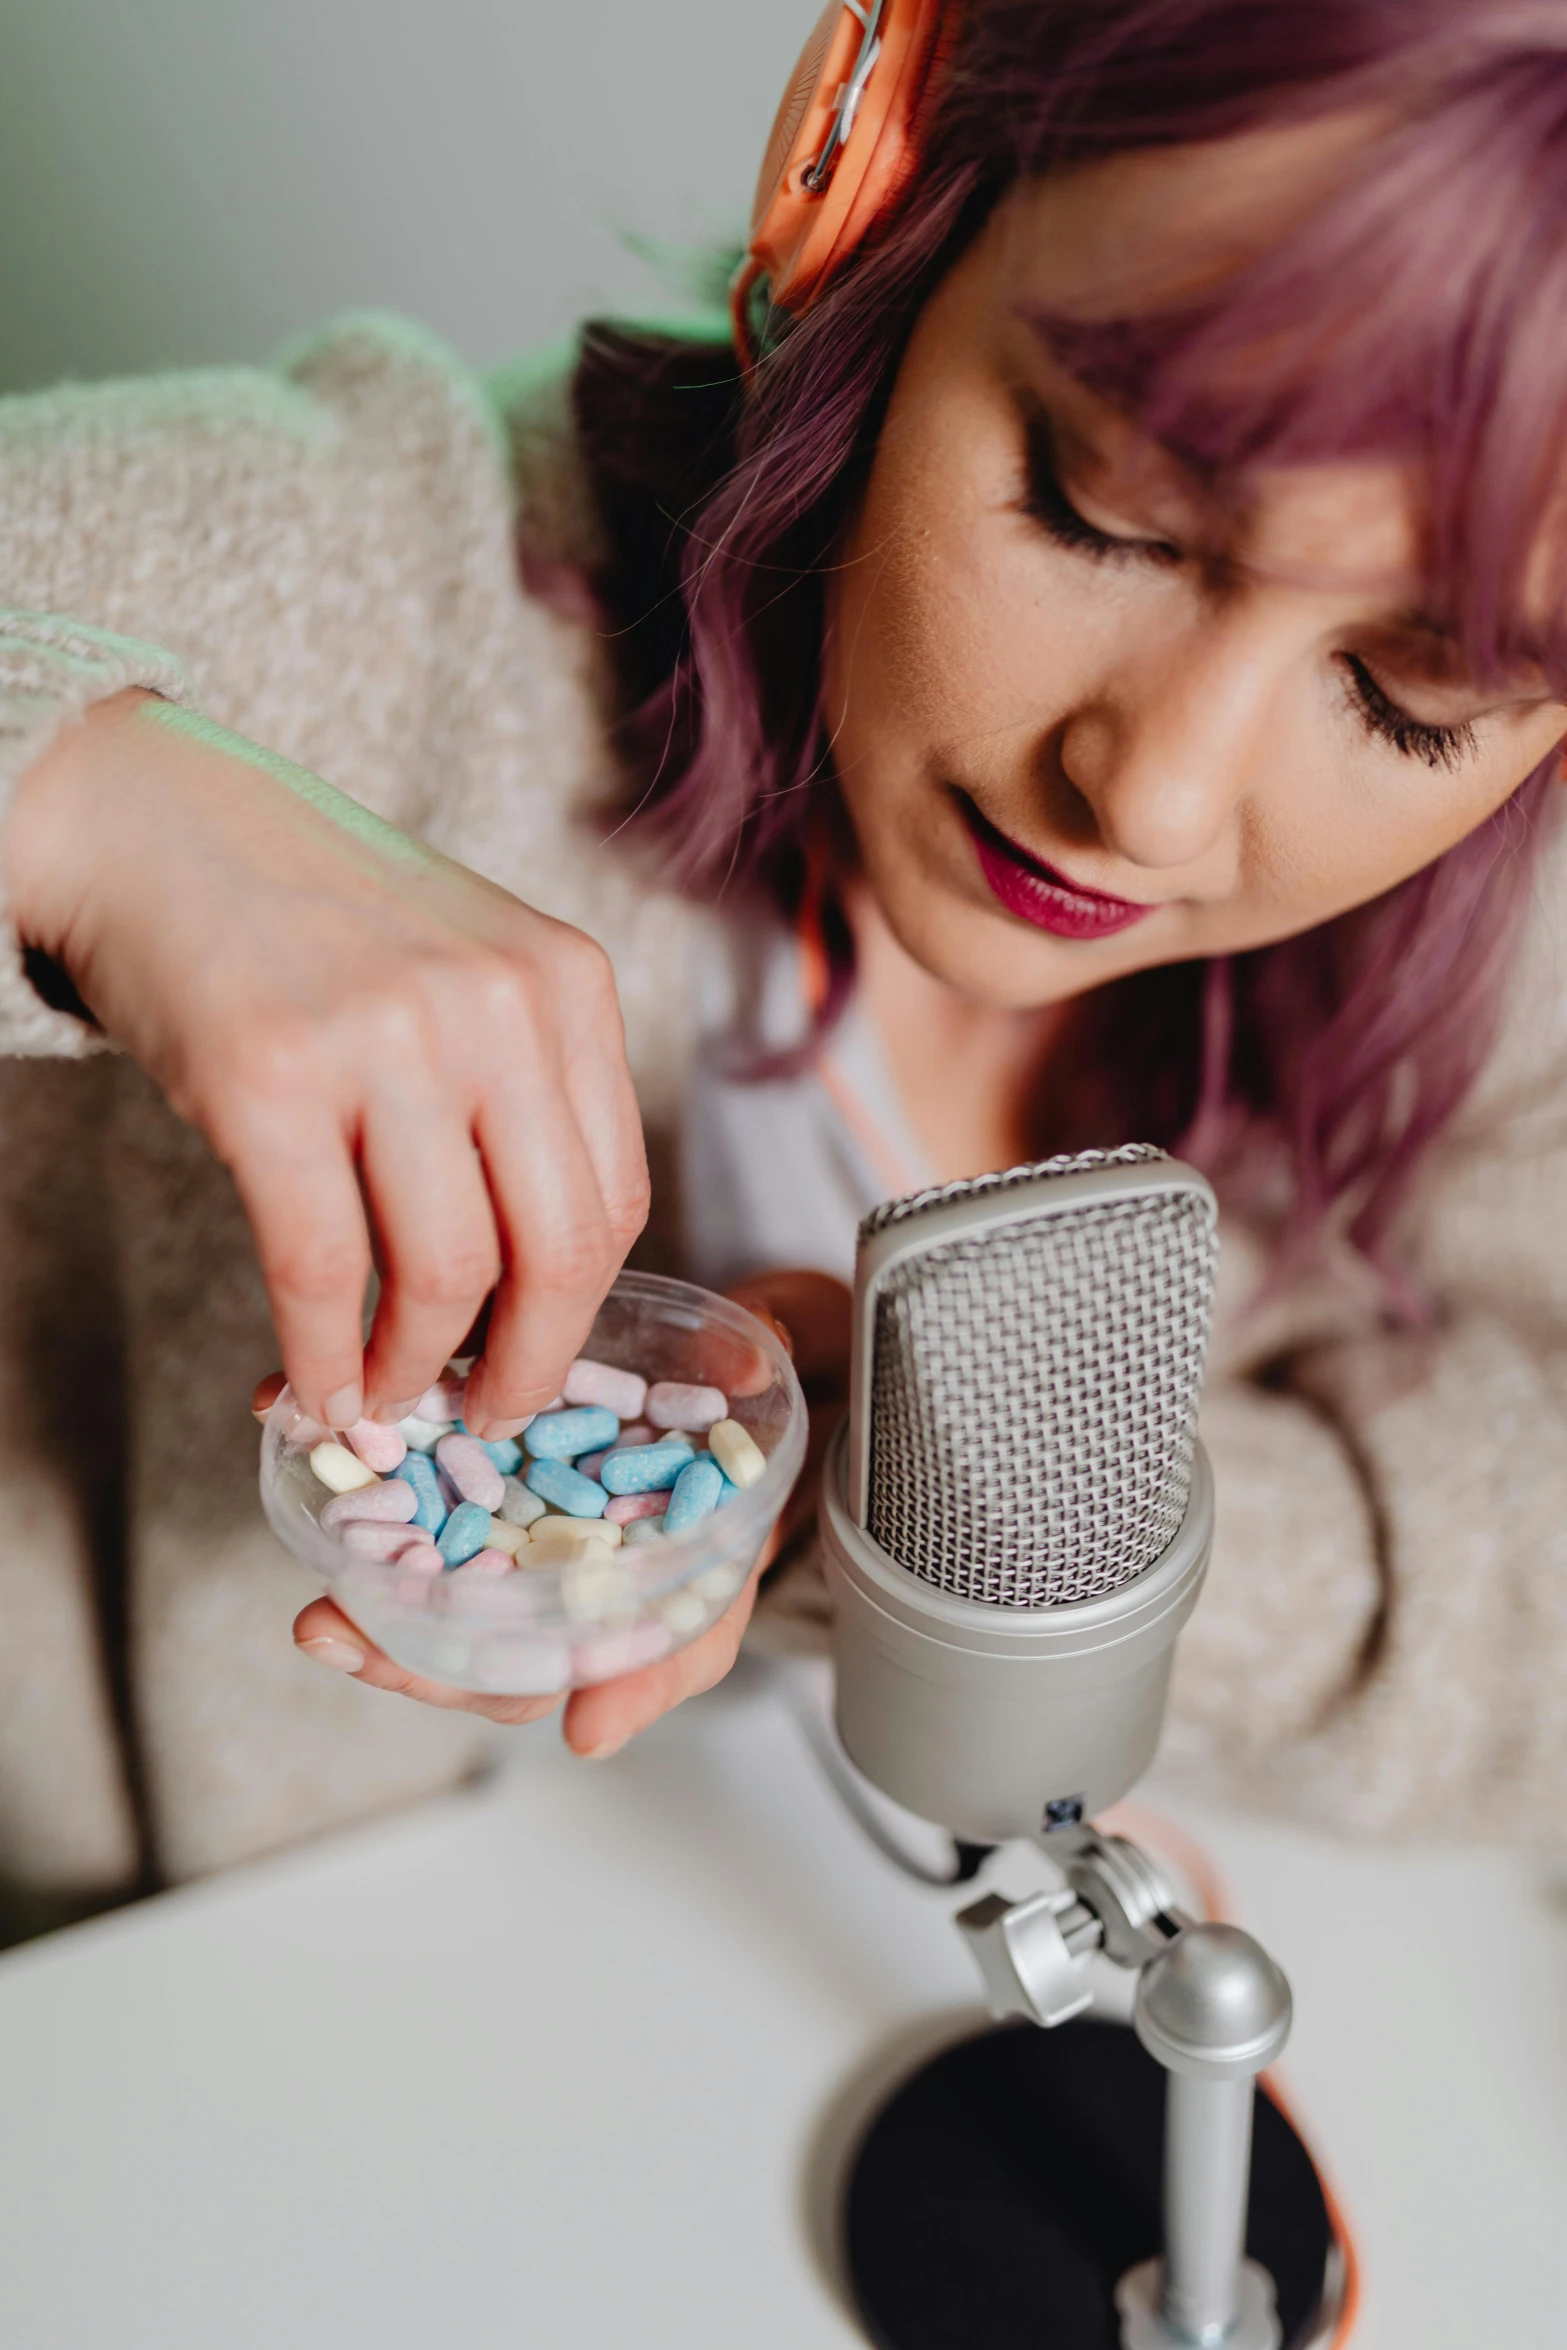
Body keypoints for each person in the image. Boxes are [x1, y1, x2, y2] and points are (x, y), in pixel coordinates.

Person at [1, 0, 1564, 1914]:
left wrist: (971, 1522)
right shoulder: (390, 584)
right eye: (1105, 507)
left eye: (1410, 703)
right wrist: (78, 799)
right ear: (875, 175)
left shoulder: (1518, 929)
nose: (1147, 798)